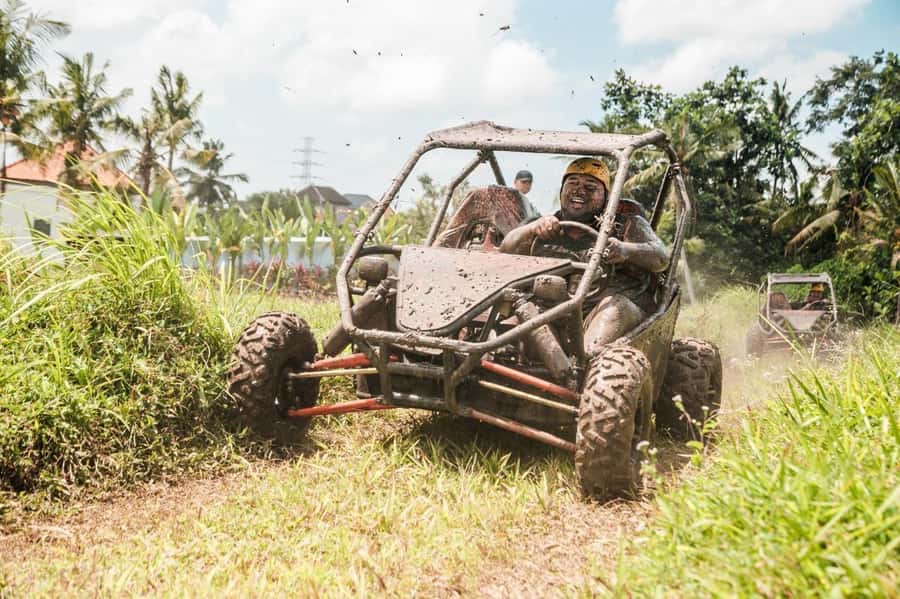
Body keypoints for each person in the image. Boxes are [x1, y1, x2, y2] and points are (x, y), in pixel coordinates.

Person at [500, 157, 668, 353]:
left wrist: (625, 250)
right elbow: (505, 251)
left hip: (608, 314)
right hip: (551, 315)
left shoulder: (627, 223)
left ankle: (587, 365)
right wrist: (531, 229)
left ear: (606, 197)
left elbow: (661, 258)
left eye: (590, 187)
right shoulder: (543, 225)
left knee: (615, 307)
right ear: (562, 190)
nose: (579, 190)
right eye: (572, 183)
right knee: (518, 307)